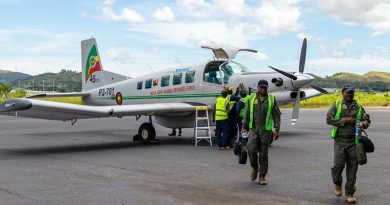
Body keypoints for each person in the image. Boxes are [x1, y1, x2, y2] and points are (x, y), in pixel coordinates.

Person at [326, 85, 371, 204]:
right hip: (340, 141)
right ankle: (337, 183)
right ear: (343, 93)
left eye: (352, 92)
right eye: (347, 92)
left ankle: (349, 194)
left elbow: (367, 120)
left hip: (354, 141)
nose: (350, 94)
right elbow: (328, 119)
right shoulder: (336, 106)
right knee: (338, 166)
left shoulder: (359, 107)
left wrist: (363, 124)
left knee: (352, 169)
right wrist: (345, 120)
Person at [242, 80, 281, 185]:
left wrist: (277, 129)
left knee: (263, 154)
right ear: (258, 88)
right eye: (261, 87)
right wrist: (244, 126)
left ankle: (262, 176)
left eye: (265, 88)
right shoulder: (251, 98)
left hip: (266, 130)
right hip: (253, 129)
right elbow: (247, 112)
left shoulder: (271, 99)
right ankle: (255, 168)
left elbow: (276, 114)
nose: (263, 89)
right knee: (250, 150)